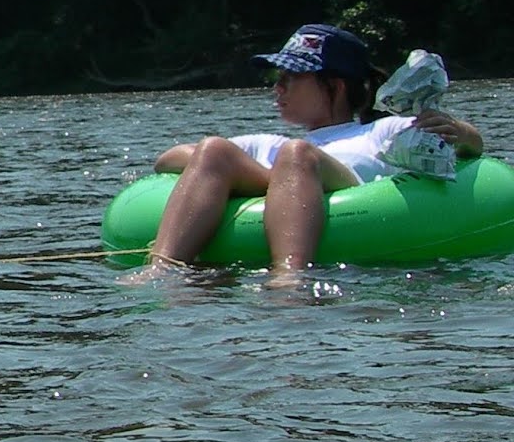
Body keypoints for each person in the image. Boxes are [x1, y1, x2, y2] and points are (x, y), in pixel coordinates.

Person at [137, 24, 483, 279]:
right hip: (283, 173)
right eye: (277, 76)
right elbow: (167, 159)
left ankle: (289, 275)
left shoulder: (382, 130)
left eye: (291, 77)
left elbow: (472, 146)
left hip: (348, 191)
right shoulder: (266, 144)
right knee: (216, 148)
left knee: (298, 155)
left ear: (335, 85)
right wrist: (261, 178)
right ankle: (162, 270)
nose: (278, 87)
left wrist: (459, 130)